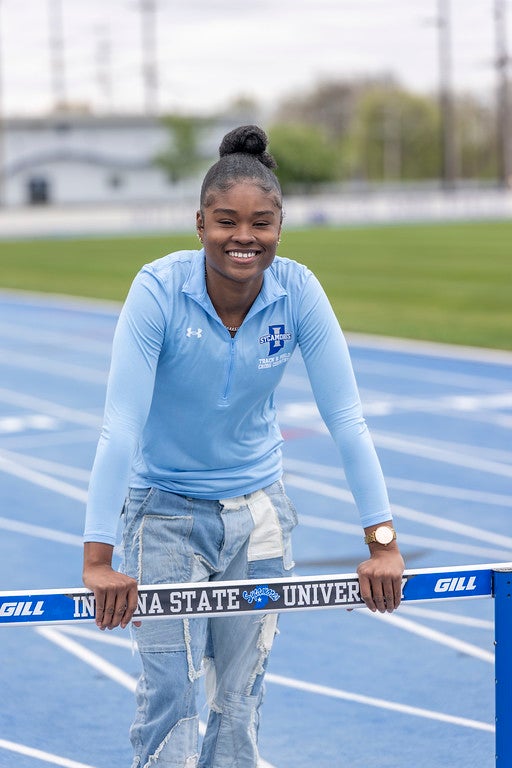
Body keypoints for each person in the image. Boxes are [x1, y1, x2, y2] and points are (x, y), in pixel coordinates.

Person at [82, 124, 405, 768]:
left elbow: (346, 418)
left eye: (261, 223)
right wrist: (99, 559)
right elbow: (121, 423)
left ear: (280, 225)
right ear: (199, 222)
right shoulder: (157, 289)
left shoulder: (299, 291)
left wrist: (382, 544)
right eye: (226, 221)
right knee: (171, 695)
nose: (244, 238)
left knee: (239, 697)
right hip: (165, 511)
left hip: (259, 514)